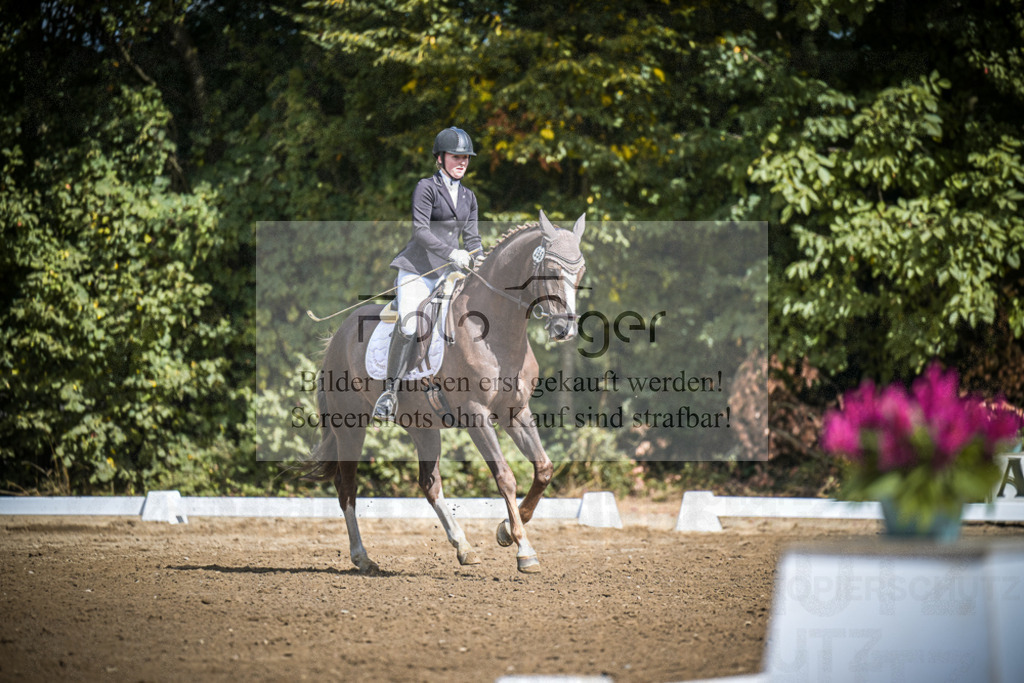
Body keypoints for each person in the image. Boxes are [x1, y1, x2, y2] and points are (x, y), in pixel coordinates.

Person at [373, 126, 483, 421]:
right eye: (455, 156)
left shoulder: (469, 198)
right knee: (410, 324)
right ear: (440, 158)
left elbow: (472, 240)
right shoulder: (427, 187)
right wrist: (451, 253)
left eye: (466, 157)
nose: (462, 162)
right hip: (417, 270)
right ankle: (389, 393)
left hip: (449, 273)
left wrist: (480, 258)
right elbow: (420, 231)